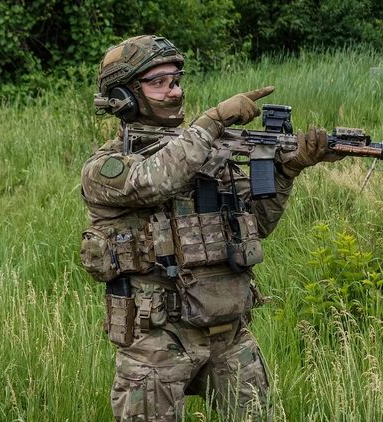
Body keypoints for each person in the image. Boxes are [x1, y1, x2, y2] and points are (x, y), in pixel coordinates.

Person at [80, 35, 341, 421]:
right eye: (159, 83)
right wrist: (214, 121)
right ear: (124, 97)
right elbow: (156, 181)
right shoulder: (107, 167)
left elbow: (257, 225)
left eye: (176, 80)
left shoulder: (209, 153)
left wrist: (288, 170)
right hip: (156, 341)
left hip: (228, 334)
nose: (175, 91)